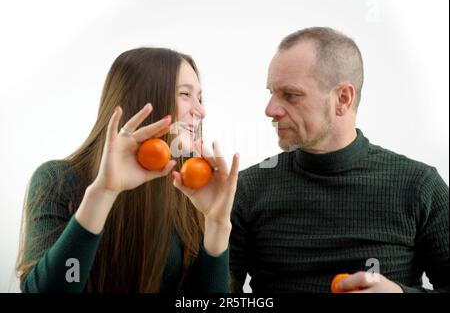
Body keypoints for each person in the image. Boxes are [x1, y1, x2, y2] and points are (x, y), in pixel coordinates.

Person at [230, 27, 449, 293]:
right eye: (271, 93)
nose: (270, 110)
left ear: (343, 98)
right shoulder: (248, 188)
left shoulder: (420, 186)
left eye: (290, 95)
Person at [16, 47, 239, 293]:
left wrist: (217, 224)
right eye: (185, 94)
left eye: (200, 97)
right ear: (144, 99)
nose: (201, 111)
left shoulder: (191, 194)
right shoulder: (57, 180)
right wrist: (103, 192)